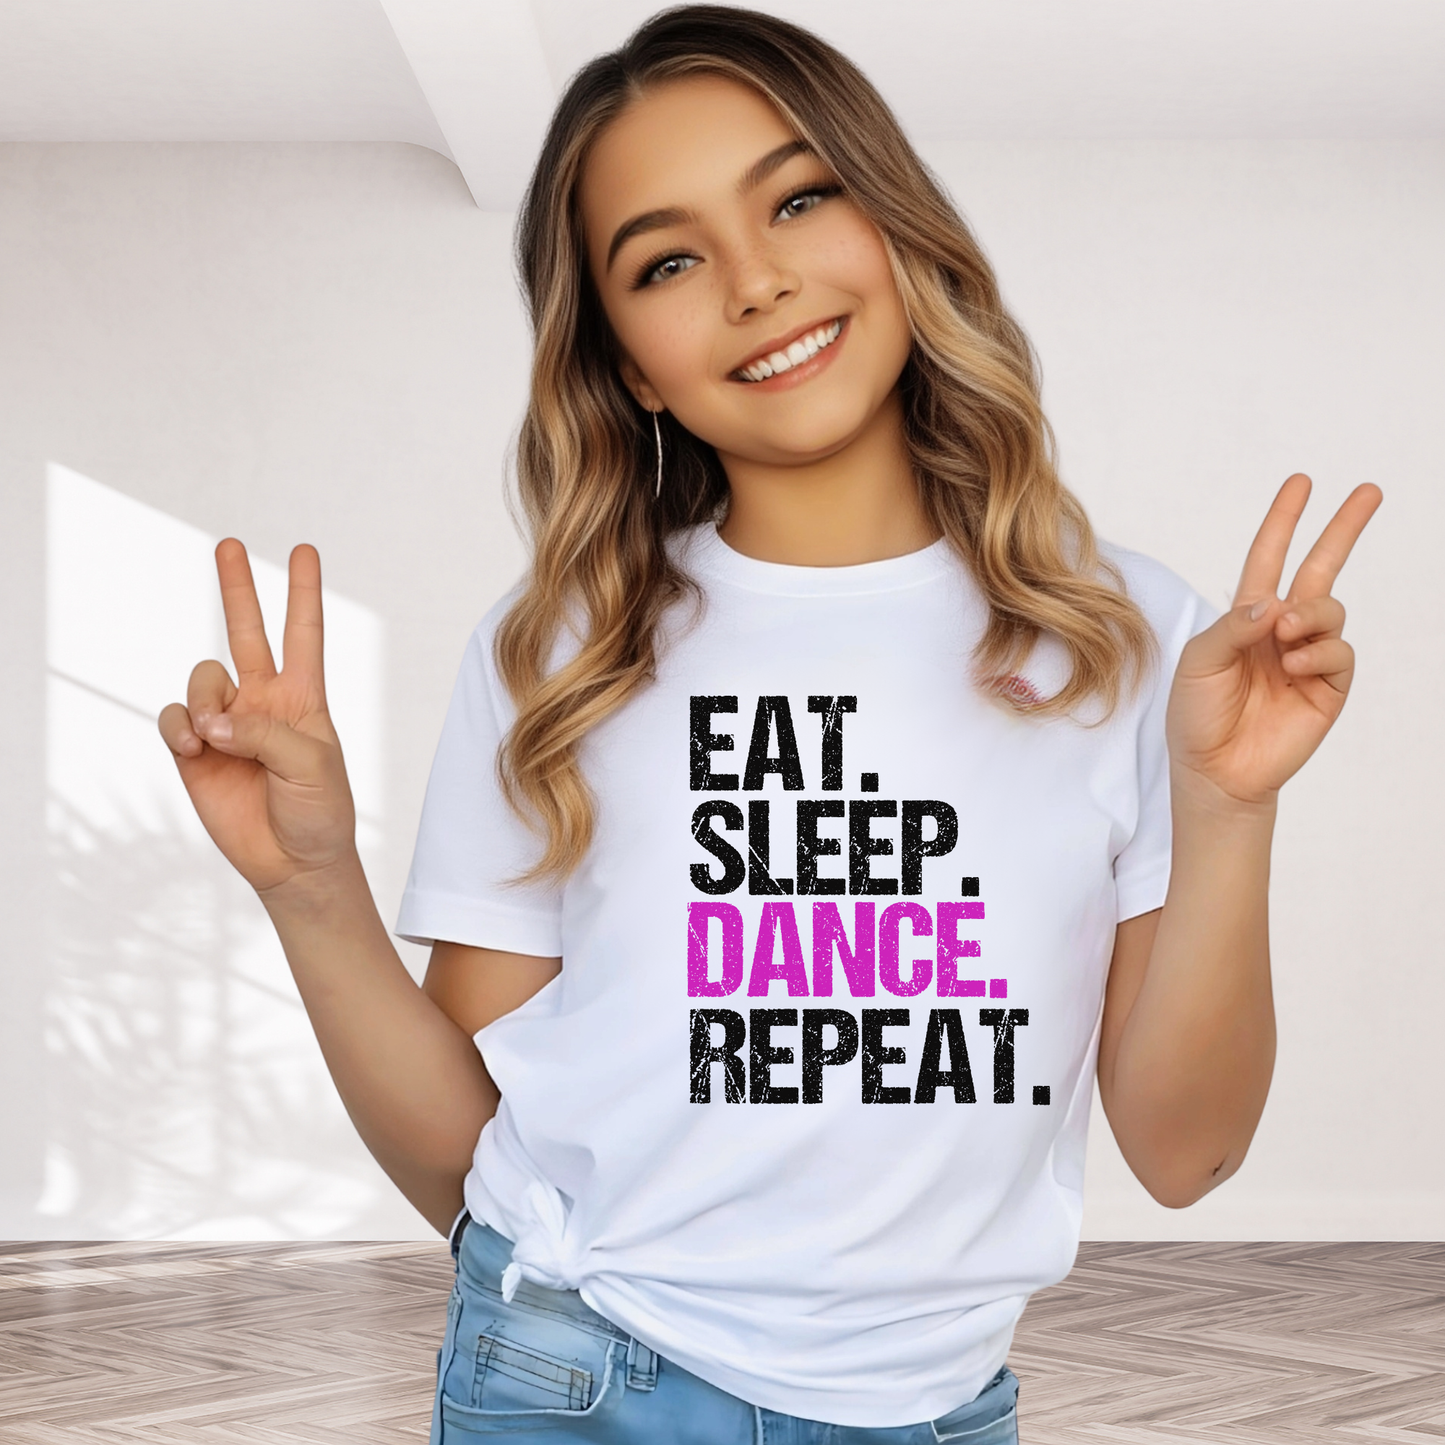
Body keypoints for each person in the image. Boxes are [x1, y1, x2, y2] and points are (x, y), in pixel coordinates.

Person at [157, 6, 1381, 1441]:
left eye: (801, 197)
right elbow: (466, 1156)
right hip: (576, 1378)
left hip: (935, 1409)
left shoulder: (1128, 639)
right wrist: (309, 887)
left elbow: (1187, 1154)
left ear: (896, 225)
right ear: (623, 358)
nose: (757, 282)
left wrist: (1233, 812)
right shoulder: (565, 648)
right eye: (668, 261)